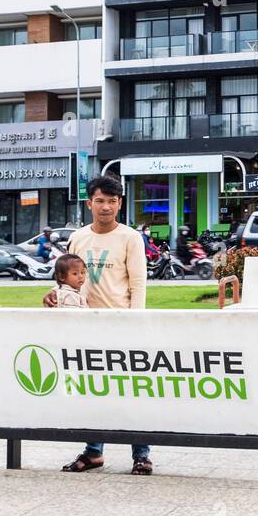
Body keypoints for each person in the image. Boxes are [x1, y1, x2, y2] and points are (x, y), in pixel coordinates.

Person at [45, 174, 151, 475]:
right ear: (89, 203)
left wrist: (135, 321)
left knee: (132, 391)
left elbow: (139, 284)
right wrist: (55, 295)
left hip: (121, 324)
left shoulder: (130, 237)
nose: (106, 207)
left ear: (120, 204)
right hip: (85, 326)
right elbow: (68, 277)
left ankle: (141, 454)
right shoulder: (78, 237)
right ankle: (94, 452)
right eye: (100, 201)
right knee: (92, 390)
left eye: (112, 201)